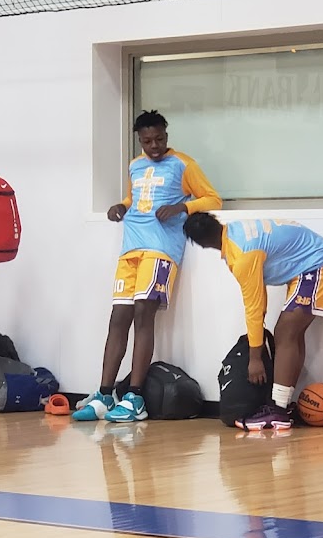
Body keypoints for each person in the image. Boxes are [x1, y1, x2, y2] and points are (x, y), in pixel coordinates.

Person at [73, 110, 222, 424]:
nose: (154, 146)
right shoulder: (135, 165)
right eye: (147, 141)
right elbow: (135, 197)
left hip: (161, 250)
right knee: (118, 318)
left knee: (143, 315)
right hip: (130, 249)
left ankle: (135, 397)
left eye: (159, 139)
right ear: (139, 140)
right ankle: (104, 394)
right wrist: (121, 205)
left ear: (166, 135)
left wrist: (182, 206)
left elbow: (213, 199)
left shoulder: (183, 164)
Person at [183, 213, 323, 430]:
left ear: (201, 244)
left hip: (318, 265)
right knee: (292, 334)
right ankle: (282, 405)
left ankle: (278, 410)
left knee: (285, 333)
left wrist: (255, 358)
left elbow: (255, 307)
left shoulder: (243, 255)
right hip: (313, 265)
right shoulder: (235, 232)